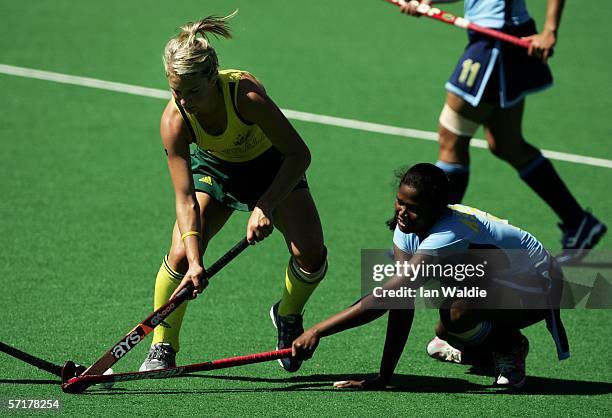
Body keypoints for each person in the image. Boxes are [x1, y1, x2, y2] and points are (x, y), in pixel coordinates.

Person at [139, 12, 327, 373]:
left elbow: (299, 154)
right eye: (176, 91)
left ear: (213, 78)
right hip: (217, 169)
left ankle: (287, 315)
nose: (184, 100)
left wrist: (266, 204)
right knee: (179, 254)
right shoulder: (174, 121)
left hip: (272, 166)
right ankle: (163, 345)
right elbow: (184, 199)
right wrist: (196, 261)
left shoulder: (246, 96)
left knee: (311, 255)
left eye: (192, 91)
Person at [292, 163, 569, 389]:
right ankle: (486, 347)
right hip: (500, 280)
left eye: (413, 208)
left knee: (457, 316)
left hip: (539, 284)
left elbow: (386, 296)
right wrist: (383, 377)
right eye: (400, 202)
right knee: (445, 330)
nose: (403, 212)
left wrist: (317, 330)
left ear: (436, 210)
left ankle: (510, 346)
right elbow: (401, 301)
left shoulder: (447, 234)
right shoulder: (407, 229)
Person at [399, 0, 606, 265]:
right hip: (495, 38)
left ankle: (431, 239)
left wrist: (550, 30)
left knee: (451, 140)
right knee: (507, 143)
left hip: (497, 41)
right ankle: (578, 222)